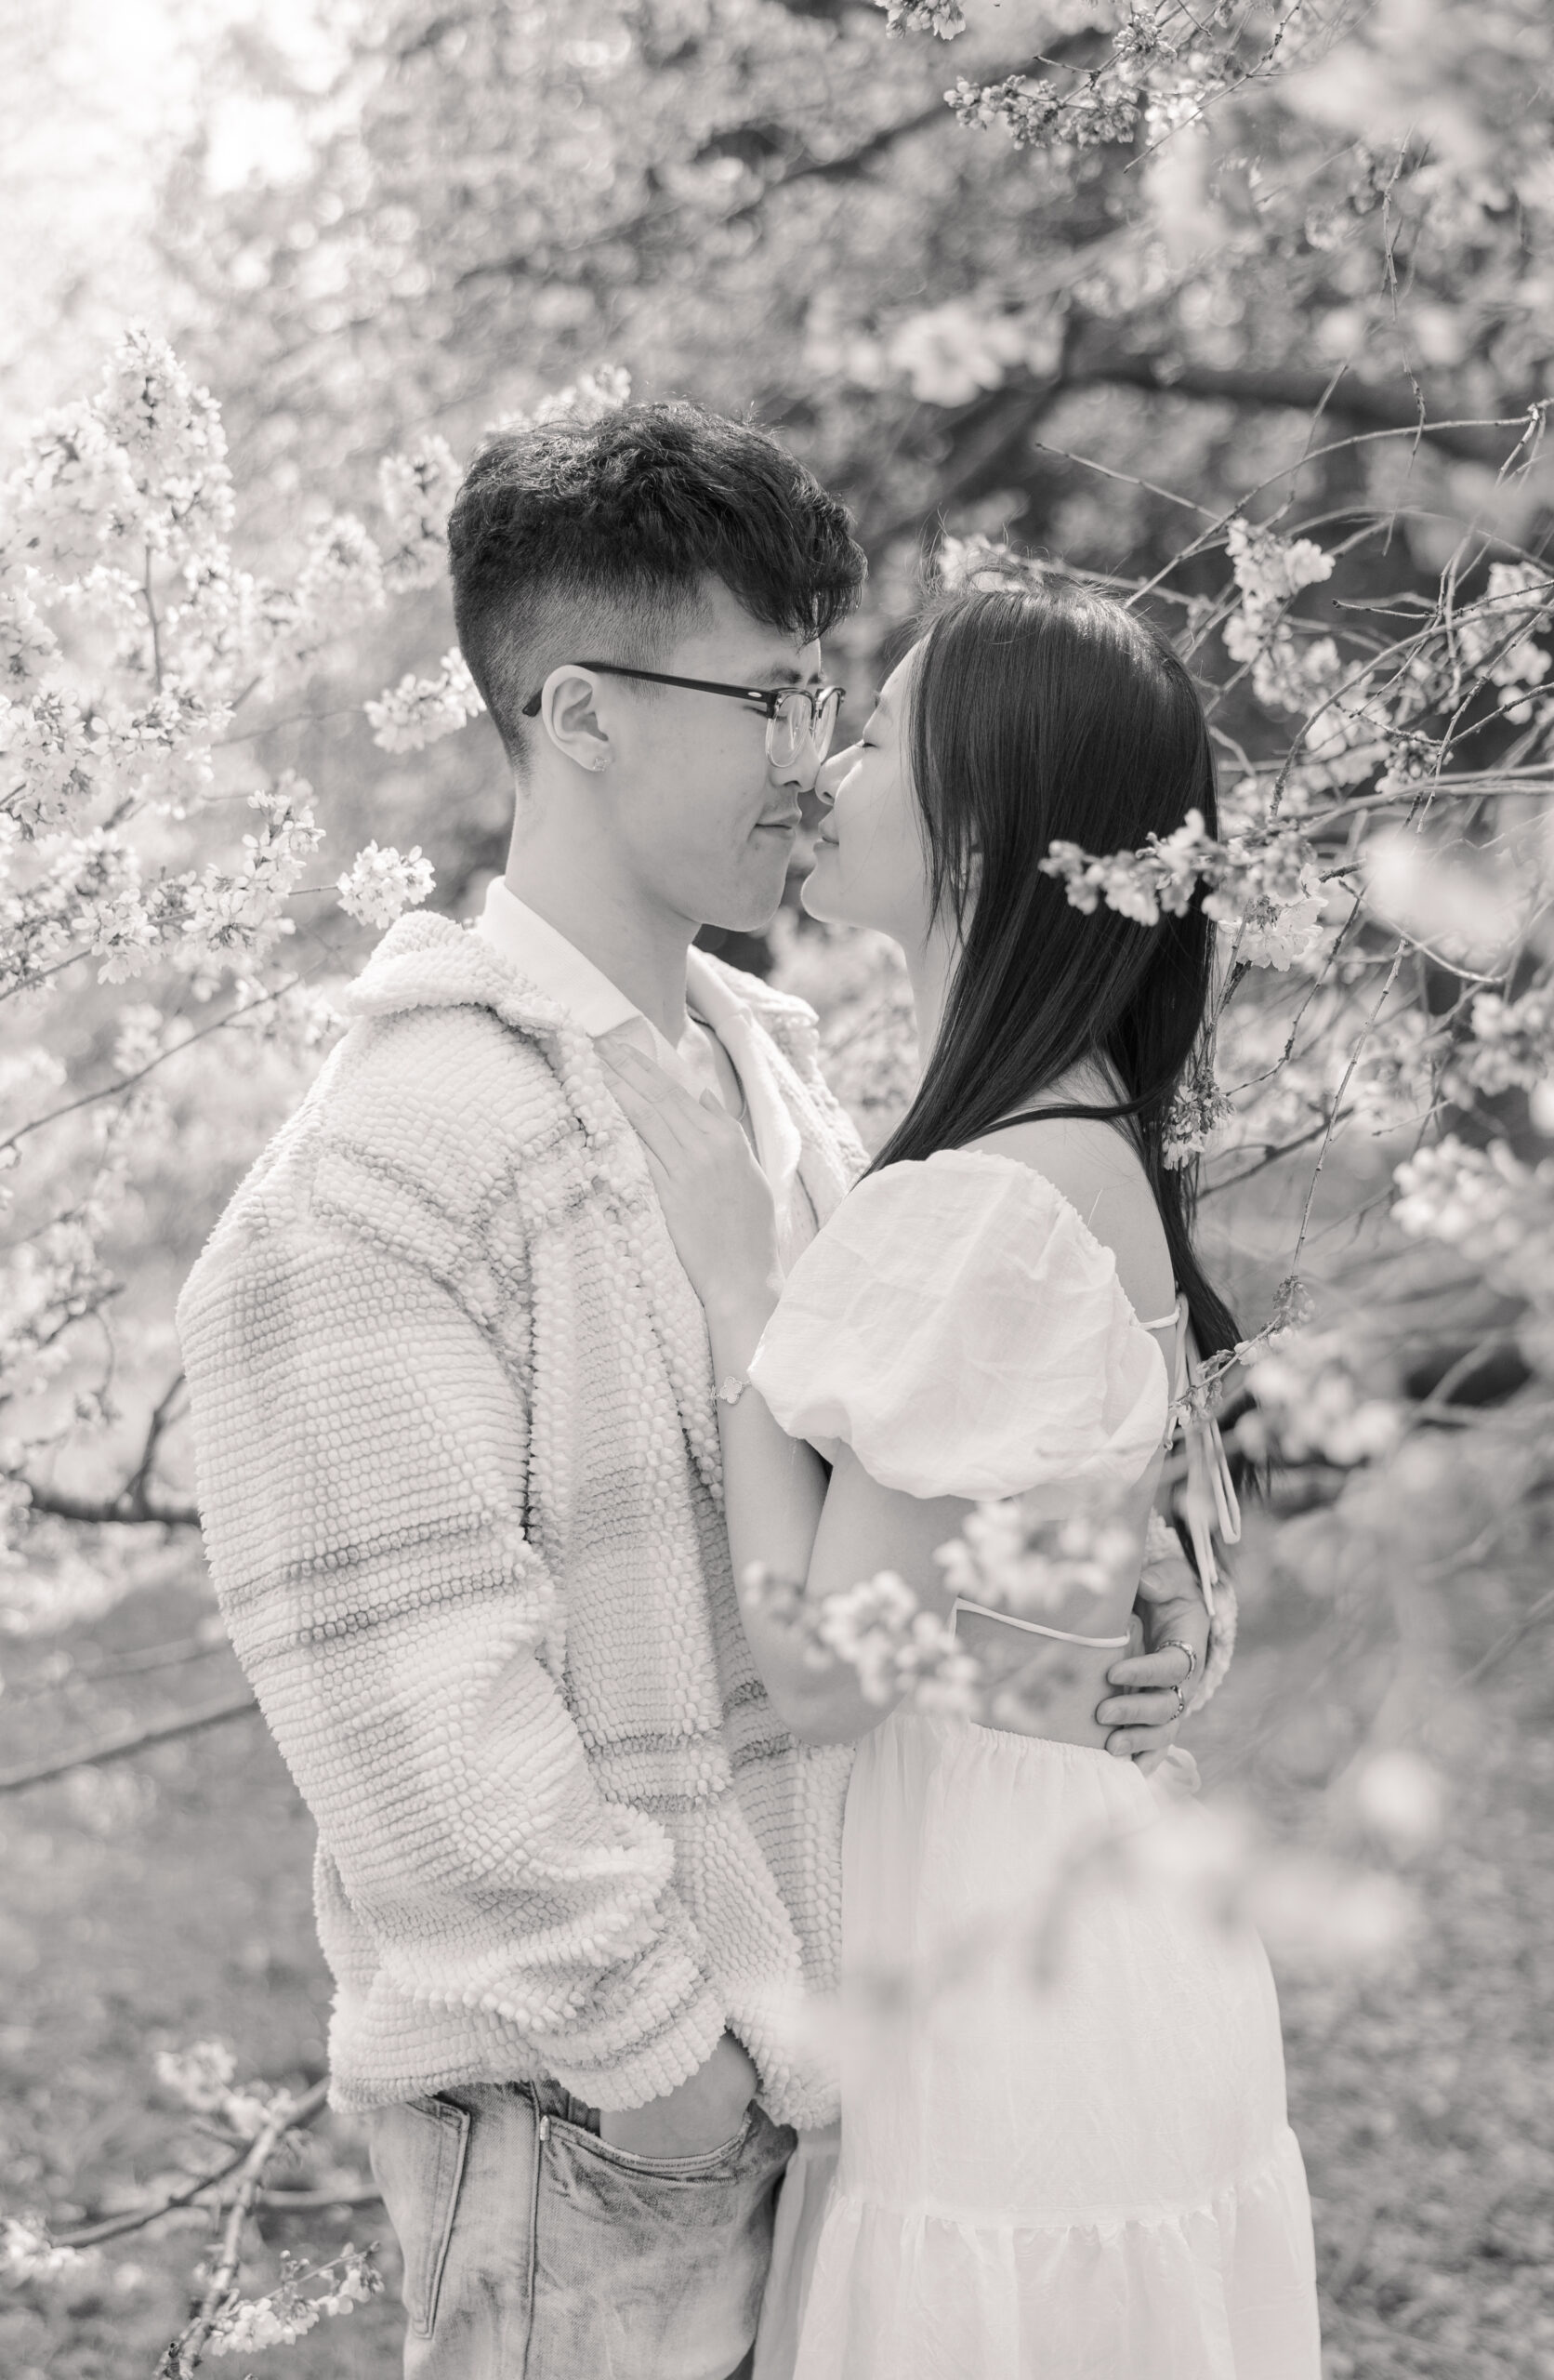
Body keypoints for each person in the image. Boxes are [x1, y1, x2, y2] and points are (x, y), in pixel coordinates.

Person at [176, 405, 1217, 2380]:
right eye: (766, 694)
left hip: (856, 2074)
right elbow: (405, 1695)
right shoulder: (398, 1159)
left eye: (823, 694)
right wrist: (664, 2064)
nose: (810, 755)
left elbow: (911, 1477)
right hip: (604, 2125)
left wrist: (1082, 1610)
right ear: (577, 710)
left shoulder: (785, 1076)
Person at [600, 578, 1323, 2379]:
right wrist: (1091, 1662)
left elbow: (833, 1669)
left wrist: (751, 1334)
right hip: (1076, 1893)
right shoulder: (1071, 1134)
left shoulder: (986, 1192)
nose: (824, 769)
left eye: (876, 740)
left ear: (984, 827)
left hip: (1001, 1950)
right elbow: (1053, 1582)